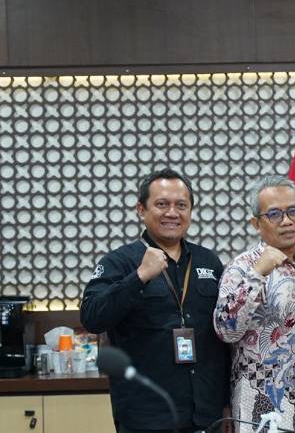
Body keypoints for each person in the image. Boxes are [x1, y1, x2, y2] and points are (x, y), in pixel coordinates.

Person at [81, 168, 228, 433]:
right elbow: (91, 317)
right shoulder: (119, 262)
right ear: (141, 209)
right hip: (146, 416)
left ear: (191, 211)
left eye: (181, 205)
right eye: (162, 204)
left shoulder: (209, 261)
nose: (172, 213)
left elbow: (224, 335)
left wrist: (226, 404)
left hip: (206, 414)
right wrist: (139, 277)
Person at [213, 176, 295, 433]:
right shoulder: (242, 267)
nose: (287, 221)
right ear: (256, 223)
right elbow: (225, 330)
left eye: (293, 211)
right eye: (274, 214)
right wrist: (257, 274)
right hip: (264, 411)